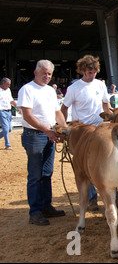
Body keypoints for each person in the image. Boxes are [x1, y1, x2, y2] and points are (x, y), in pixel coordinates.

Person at [17, 59, 68, 226]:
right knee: (35, 175)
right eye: (44, 73)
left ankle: (46, 206)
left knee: (47, 173)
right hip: (34, 135)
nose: (47, 76)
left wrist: (65, 129)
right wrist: (47, 130)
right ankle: (35, 212)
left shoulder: (50, 91)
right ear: (36, 72)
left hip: (48, 135)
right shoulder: (27, 89)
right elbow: (27, 115)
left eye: (49, 74)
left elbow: (57, 113)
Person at [60, 55, 112, 211]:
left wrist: (110, 117)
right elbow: (64, 108)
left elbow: (105, 104)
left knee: (105, 161)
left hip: (99, 128)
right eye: (89, 72)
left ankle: (112, 195)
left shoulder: (100, 85)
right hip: (82, 131)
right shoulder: (74, 88)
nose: (92, 75)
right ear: (82, 70)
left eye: (94, 71)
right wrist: (63, 126)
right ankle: (92, 198)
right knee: (84, 165)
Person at [0, 78, 17, 150]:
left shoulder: (8, 90)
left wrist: (17, 107)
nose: (9, 86)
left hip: (8, 111)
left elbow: (11, 100)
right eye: (8, 84)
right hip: (1, 111)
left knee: (9, 129)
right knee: (6, 129)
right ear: (3, 84)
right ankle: (7, 145)